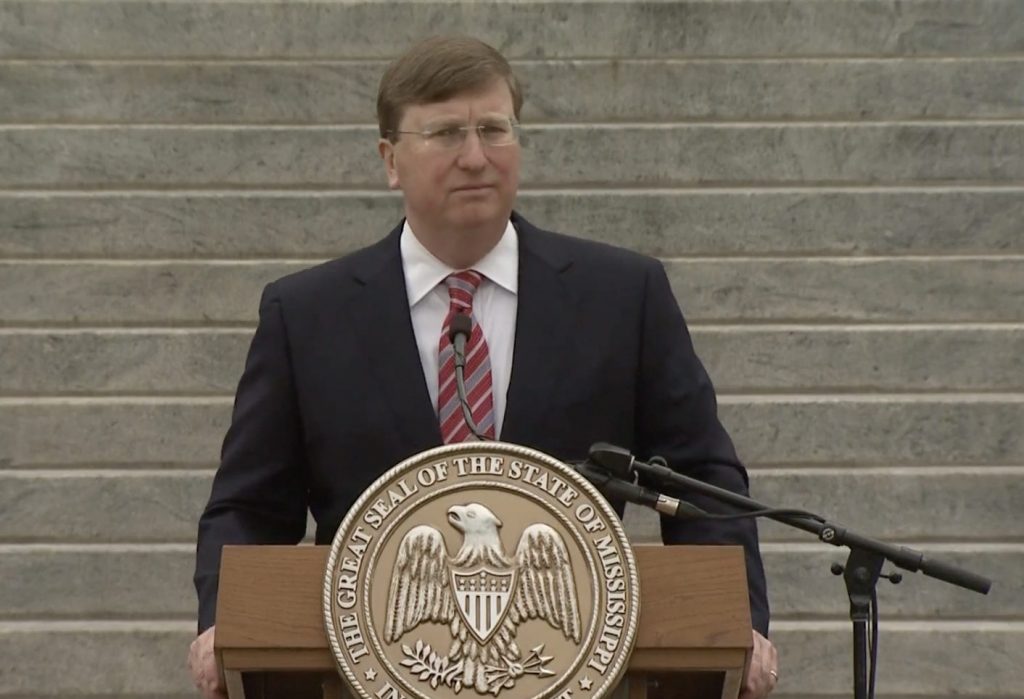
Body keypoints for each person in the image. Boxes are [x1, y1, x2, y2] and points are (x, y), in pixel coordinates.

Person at [189, 36, 779, 699]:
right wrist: (222, 620)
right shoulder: (307, 315)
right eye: (445, 134)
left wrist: (739, 620)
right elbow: (249, 505)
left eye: (494, 129)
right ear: (390, 160)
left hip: (576, 670)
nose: (475, 157)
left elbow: (702, 479)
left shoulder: (622, 296)